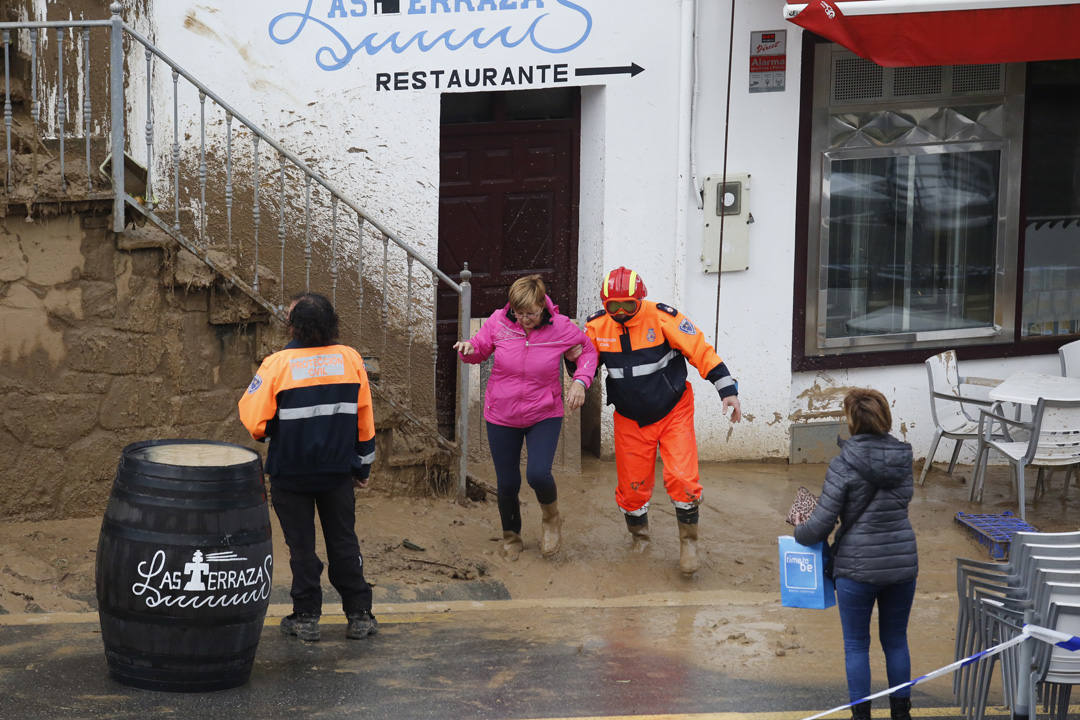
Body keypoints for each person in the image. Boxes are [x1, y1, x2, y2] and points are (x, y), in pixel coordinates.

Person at [581, 266, 742, 576]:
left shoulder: (662, 317)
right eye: (613, 306)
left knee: (682, 479)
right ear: (604, 304)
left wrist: (727, 390)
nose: (621, 312)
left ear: (640, 299)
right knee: (632, 490)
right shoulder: (597, 328)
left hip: (673, 410)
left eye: (628, 305)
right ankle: (639, 539)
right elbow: (582, 362)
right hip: (630, 419)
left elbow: (700, 350)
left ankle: (688, 543)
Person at [238, 292, 378, 643]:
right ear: (332, 324)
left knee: (301, 548)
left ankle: (306, 618)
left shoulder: (277, 364)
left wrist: (275, 432)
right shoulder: (350, 359)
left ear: (293, 325)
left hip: (291, 473)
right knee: (344, 542)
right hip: (336, 473)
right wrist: (362, 467)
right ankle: (359, 614)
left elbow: (255, 422)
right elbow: (365, 421)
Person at [793, 388, 918, 720]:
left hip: (855, 569)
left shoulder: (843, 463)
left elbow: (819, 526)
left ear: (851, 422)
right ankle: (901, 714)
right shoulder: (903, 458)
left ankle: (861, 716)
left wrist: (797, 529)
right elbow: (902, 503)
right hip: (902, 563)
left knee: (856, 646)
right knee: (895, 640)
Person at [454, 275, 598, 560]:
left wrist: (581, 382)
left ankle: (551, 519)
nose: (524, 319)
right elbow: (480, 349)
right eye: (519, 313)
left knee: (537, 473)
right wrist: (469, 350)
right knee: (507, 483)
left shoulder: (560, 327)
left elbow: (588, 351)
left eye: (530, 313)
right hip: (501, 414)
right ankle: (512, 536)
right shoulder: (499, 321)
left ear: (542, 307)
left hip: (543, 413)